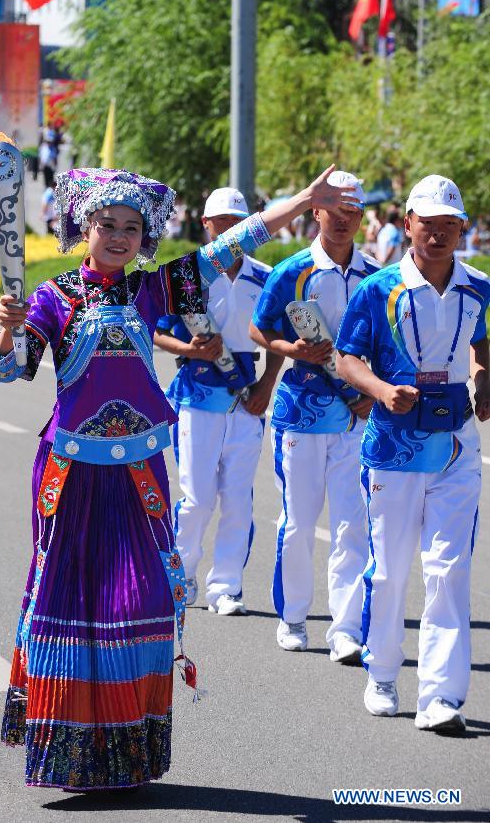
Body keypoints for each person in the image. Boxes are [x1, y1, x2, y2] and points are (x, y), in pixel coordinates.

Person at [0, 163, 356, 791]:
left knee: (145, 602)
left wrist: (301, 201)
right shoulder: (53, 297)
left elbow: (232, 245)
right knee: (72, 606)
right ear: (85, 227)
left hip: (139, 474)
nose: (120, 236)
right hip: (72, 474)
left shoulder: (152, 290)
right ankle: (68, 755)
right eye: (108, 224)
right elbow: (10, 372)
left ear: (144, 236)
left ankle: (126, 751)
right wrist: (9, 329)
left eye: (132, 227)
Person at [336, 174, 490, 733]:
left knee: (450, 569)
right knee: (391, 568)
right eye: (429, 225)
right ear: (408, 226)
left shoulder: (478, 286)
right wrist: (380, 391)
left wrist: (484, 378)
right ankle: (382, 673)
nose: (439, 235)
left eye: (450, 226)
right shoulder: (379, 290)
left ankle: (442, 697)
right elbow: (346, 357)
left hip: (456, 443)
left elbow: (480, 340)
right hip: (393, 444)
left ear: (462, 230)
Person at [249, 171, 380, 660]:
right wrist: (293, 350)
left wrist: (373, 390)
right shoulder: (293, 271)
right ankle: (294, 616)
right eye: (334, 210)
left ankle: (345, 629)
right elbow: (259, 329)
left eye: (352, 212)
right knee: (300, 522)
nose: (343, 220)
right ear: (316, 211)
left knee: (353, 524)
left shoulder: (376, 277)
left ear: (361, 217)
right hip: (301, 414)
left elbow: (385, 345)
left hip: (358, 418)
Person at [154, 187, 283, 615]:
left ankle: (226, 587)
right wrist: (189, 350)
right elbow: (155, 330)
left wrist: (267, 383)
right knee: (197, 497)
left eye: (237, 223)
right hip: (197, 396)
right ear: (205, 226)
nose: (229, 231)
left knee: (238, 498)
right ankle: (182, 574)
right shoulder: (188, 276)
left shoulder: (265, 276)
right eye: (221, 223)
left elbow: (279, 335)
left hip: (247, 401)